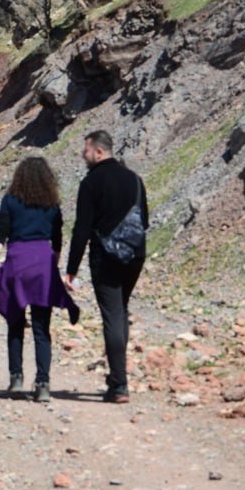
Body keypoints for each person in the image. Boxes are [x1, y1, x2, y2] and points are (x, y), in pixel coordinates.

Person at [0, 157, 79, 402]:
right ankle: (43, 383)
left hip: (17, 261)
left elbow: (0, 236)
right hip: (42, 263)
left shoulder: (10, 201)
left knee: (15, 322)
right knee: (41, 327)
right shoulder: (52, 205)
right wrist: (51, 265)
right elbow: (57, 241)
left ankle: (16, 378)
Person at [65, 130, 149, 404]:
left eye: (86, 150)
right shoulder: (135, 180)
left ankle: (119, 385)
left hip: (107, 257)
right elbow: (144, 220)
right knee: (121, 309)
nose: (83, 154)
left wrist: (72, 268)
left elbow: (82, 229)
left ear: (98, 152)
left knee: (112, 314)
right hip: (136, 254)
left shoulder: (91, 182)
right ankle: (118, 378)